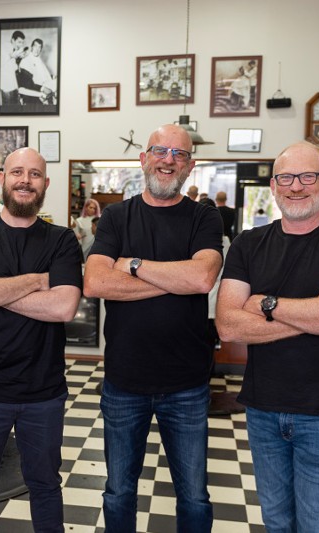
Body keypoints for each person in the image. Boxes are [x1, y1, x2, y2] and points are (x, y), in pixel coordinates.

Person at [215, 141, 319, 532]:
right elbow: (228, 325)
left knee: (318, 526)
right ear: (273, 186)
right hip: (263, 408)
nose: (296, 186)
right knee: (276, 523)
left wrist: (266, 304)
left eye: (308, 177)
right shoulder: (248, 245)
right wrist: (314, 311)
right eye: (286, 177)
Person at [83, 125, 223, 532]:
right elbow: (95, 283)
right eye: (160, 151)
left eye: (179, 154)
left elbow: (200, 280)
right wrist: (171, 281)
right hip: (125, 381)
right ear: (143, 158)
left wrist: (133, 264)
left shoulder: (204, 215)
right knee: (118, 491)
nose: (168, 160)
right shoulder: (116, 216)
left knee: (194, 496)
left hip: (187, 383)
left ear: (190, 166)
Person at [0, 147, 82, 532]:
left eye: (35, 174)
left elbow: (63, 308)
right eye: (17, 172)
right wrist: (38, 280)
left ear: (46, 184)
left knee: (45, 486)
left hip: (43, 390)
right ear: (3, 178)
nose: (25, 180)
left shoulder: (61, 240)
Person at [16, 38, 56, 105]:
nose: (37, 49)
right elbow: (27, 84)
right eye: (35, 46)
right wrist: (43, 89)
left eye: (39, 47)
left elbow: (44, 75)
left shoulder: (39, 60)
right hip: (34, 95)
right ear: (32, 47)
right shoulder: (26, 61)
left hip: (46, 91)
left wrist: (53, 77)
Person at [0, 30, 27, 105]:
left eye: (22, 42)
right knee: (8, 110)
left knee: (16, 109)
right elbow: (0, 62)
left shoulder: (15, 50)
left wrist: (19, 59)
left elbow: (14, 68)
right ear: (13, 40)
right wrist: (12, 55)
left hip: (14, 86)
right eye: (19, 42)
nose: (21, 45)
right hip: (6, 87)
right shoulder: (4, 46)